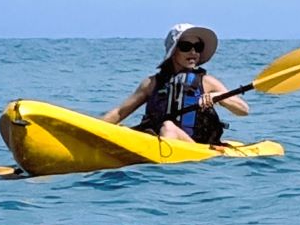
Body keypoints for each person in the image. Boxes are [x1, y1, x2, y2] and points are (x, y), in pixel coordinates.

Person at [102, 23, 249, 144]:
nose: (193, 52)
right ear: (173, 51)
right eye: (186, 46)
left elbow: (243, 110)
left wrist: (220, 96)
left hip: (194, 146)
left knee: (168, 127)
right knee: (124, 129)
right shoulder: (152, 83)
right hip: (155, 140)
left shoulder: (207, 82)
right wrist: (89, 131)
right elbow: (120, 112)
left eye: (197, 47)